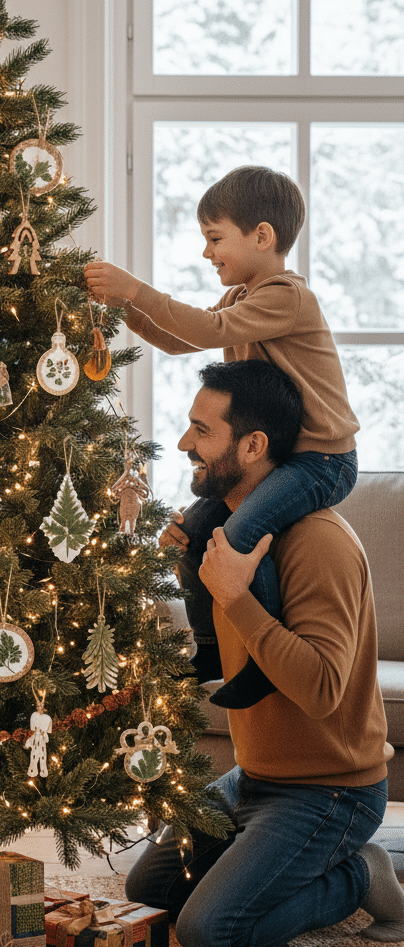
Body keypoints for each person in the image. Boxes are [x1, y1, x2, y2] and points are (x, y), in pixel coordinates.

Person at [124, 360, 402, 947]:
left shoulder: (317, 542)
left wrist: (235, 598)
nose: (182, 443)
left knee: (211, 934)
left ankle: (358, 875)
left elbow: (322, 689)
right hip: (252, 778)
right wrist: (195, 584)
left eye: (201, 430)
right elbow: (230, 659)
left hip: (329, 792)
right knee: (148, 893)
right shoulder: (227, 532)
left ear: (252, 446)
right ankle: (272, 859)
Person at [84, 166, 359, 710]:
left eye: (215, 238)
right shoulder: (242, 294)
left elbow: (208, 332)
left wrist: (137, 288)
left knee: (238, 537)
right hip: (282, 463)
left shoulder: (286, 296)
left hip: (321, 462)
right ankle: (210, 649)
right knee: (191, 534)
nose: (207, 252)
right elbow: (183, 340)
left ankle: (265, 660)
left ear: (262, 236)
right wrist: (124, 307)